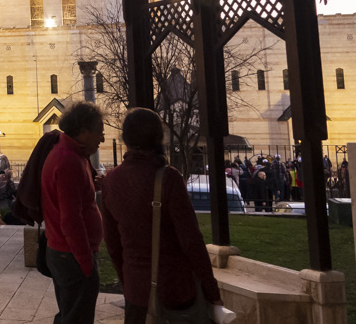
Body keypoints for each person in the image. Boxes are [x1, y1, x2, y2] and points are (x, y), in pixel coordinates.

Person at [101, 108, 222, 324]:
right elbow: (191, 240)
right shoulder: (168, 178)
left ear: (126, 139)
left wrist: (128, 281)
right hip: (174, 290)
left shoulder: (111, 180)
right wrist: (212, 292)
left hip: (136, 292)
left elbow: (112, 243)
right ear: (158, 137)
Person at [41, 101, 105, 324]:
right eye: (99, 132)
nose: (102, 138)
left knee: (70, 315)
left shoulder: (74, 154)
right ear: (83, 131)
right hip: (71, 255)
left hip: (66, 253)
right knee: (76, 318)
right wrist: (86, 263)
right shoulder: (69, 160)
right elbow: (71, 220)